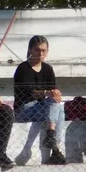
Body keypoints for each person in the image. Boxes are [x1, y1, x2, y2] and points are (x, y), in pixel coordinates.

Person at [14, 36, 66, 165]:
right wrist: (47, 93)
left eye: (43, 50)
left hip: (42, 108)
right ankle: (55, 147)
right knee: (57, 107)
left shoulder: (48, 69)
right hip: (24, 108)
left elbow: (52, 89)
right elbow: (30, 91)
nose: (40, 53)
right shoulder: (23, 68)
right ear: (30, 50)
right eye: (37, 50)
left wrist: (56, 93)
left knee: (59, 107)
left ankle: (52, 139)